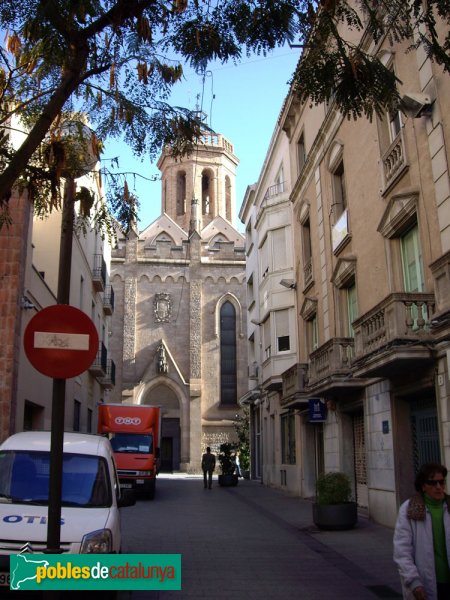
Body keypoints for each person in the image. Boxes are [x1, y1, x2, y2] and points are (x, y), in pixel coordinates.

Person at [393, 463, 450, 600]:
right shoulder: (410, 509)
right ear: (423, 486)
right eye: (432, 483)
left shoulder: (449, 507)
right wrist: (414, 582)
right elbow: (402, 550)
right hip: (426, 582)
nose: (438, 487)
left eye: (441, 482)